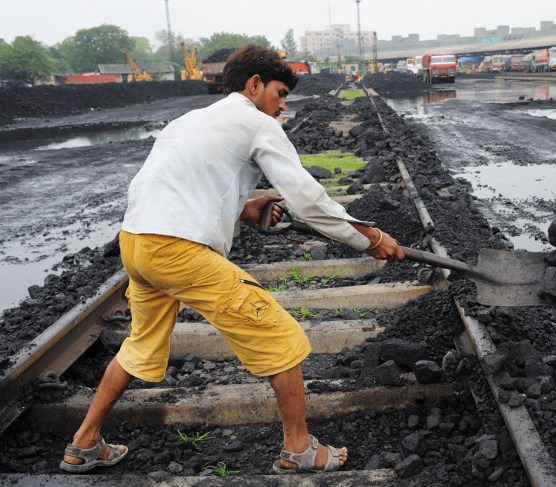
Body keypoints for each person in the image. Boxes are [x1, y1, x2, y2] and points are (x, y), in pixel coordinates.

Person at [60, 44, 404, 474]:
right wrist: (369, 238)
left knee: (140, 345)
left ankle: (84, 442)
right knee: (281, 336)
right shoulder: (256, 122)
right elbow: (310, 201)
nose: (283, 105)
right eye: (279, 93)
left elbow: (181, 184)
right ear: (254, 84)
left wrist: (244, 207)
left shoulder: (187, 122)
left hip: (138, 242)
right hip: (177, 249)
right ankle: (299, 448)